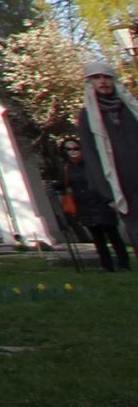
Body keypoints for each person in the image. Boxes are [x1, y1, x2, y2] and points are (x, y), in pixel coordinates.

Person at [76, 59, 138, 258]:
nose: (102, 81)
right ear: (90, 83)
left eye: (106, 77)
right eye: (96, 78)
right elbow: (91, 156)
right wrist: (107, 192)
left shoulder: (131, 108)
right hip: (122, 183)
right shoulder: (87, 117)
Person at [56, 137, 128, 272]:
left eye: (76, 148)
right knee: (98, 239)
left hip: (102, 202)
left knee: (113, 235)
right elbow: (64, 183)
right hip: (84, 205)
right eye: (68, 149)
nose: (72, 152)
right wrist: (54, 186)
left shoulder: (92, 164)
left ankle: (124, 265)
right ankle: (106, 266)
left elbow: (105, 181)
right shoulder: (66, 168)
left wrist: (110, 200)